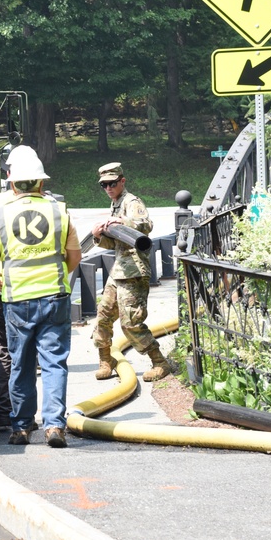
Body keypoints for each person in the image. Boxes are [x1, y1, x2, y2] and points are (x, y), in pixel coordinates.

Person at [0, 150, 82, 448]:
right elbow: (75, 257)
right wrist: (59, 273)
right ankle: (54, 426)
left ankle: (22, 428)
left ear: (12, 184)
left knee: (20, 364)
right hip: (54, 298)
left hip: (17, 300)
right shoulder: (59, 211)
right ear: (40, 183)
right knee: (54, 363)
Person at [0, 145, 40, 429]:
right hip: (31, 290)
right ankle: (25, 415)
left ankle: (4, 412)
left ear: (7, 174)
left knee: (0, 350)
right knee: (26, 351)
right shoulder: (46, 204)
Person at [90, 162, 171, 382]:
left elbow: (144, 227)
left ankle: (160, 362)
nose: (108, 188)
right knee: (103, 317)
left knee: (131, 322)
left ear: (122, 181)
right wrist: (98, 235)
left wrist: (122, 220)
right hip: (119, 272)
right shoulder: (115, 204)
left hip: (133, 272)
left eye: (112, 183)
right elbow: (115, 244)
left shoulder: (132, 202)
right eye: (104, 185)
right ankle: (106, 360)